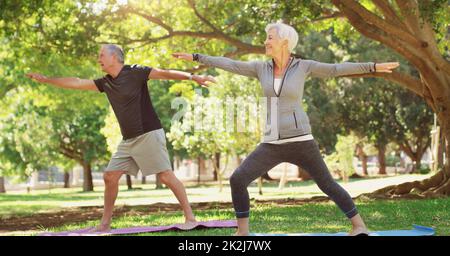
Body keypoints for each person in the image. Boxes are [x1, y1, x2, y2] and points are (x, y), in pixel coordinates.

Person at [173, 22, 399, 236]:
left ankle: (359, 226)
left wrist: (373, 66)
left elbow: (336, 69)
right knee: (238, 179)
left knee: (327, 184)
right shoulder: (260, 68)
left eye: (269, 37)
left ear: (285, 42)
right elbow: (230, 64)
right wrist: (196, 57)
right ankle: (243, 231)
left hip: (301, 139)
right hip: (271, 142)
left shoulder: (303, 66)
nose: (265, 42)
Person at [27, 44, 215, 232]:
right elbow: (76, 82)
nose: (98, 59)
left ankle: (190, 218)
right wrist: (47, 80)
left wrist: (192, 77)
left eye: (101, 55)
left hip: (148, 133)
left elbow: (164, 73)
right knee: (110, 176)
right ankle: (105, 224)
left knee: (165, 176)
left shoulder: (136, 72)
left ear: (114, 57)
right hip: (128, 140)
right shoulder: (105, 83)